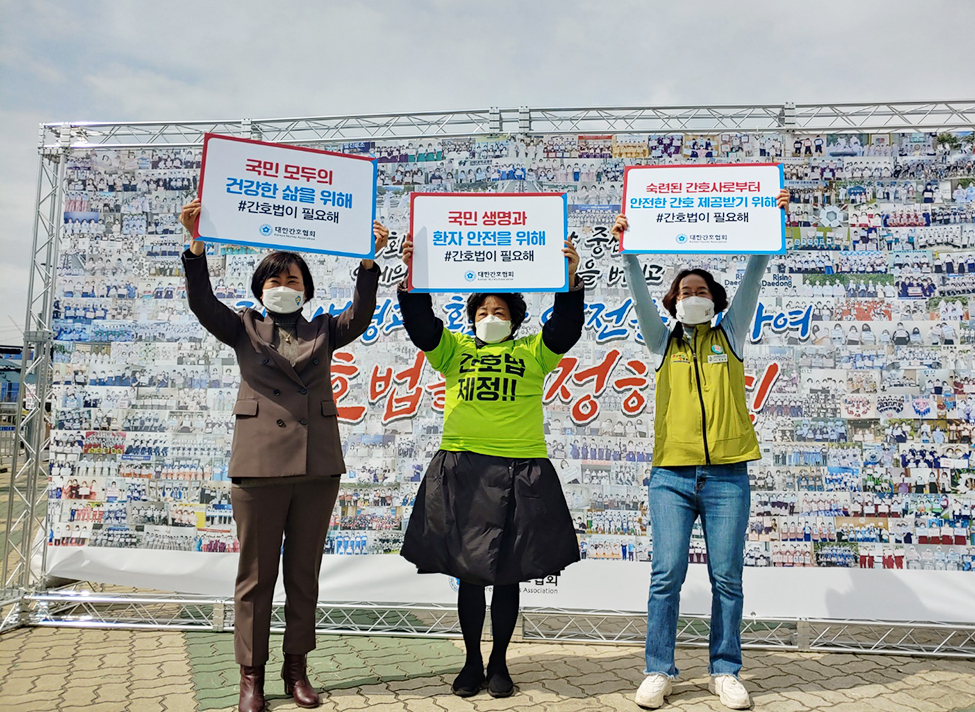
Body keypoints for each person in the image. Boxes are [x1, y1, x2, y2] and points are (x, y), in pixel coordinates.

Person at [179, 198, 387, 712]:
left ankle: (298, 672)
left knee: (302, 573)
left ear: (306, 289)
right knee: (255, 577)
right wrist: (195, 245)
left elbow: (360, 314)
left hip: (316, 467)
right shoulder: (243, 327)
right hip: (258, 466)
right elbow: (203, 304)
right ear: (260, 289)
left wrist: (367, 262)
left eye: (292, 279)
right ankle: (251, 678)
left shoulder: (324, 330)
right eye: (274, 280)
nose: (283, 286)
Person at [613, 189, 789, 712]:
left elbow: (755, 274)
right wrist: (628, 249)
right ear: (674, 300)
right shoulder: (661, 339)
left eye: (701, 289)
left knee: (726, 577)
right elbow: (641, 298)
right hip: (671, 475)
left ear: (714, 299)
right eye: (684, 289)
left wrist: (769, 225)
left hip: (728, 477)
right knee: (666, 574)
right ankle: (658, 670)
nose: (692, 294)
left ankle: (725, 670)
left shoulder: (730, 336)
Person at [395, 233, 584, 699]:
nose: (490, 318)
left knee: (508, 573)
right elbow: (422, 326)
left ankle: (499, 661)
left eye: (500, 312)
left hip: (523, 470)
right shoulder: (456, 351)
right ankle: (470, 660)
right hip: (464, 469)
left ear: (516, 320)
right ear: (472, 319)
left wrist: (570, 280)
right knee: (470, 573)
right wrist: (414, 277)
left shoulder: (532, 353)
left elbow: (564, 328)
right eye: (482, 312)